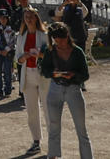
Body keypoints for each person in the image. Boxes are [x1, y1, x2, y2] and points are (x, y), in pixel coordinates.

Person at [39, 21, 92, 159]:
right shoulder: (50, 51)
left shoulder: (77, 52)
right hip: (55, 89)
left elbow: (85, 75)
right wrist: (53, 73)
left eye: (62, 40)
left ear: (67, 36)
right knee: (53, 126)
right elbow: (44, 70)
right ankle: (53, 155)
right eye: (56, 41)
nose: (60, 44)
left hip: (73, 89)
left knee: (81, 128)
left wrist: (73, 75)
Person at [17, 8, 47, 156]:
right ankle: (36, 141)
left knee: (48, 109)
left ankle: (53, 141)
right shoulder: (21, 36)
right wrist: (24, 56)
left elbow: (50, 54)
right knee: (31, 110)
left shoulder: (44, 35)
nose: (28, 19)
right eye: (26, 17)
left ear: (36, 18)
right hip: (27, 74)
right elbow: (18, 58)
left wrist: (39, 54)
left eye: (31, 17)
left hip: (42, 75)